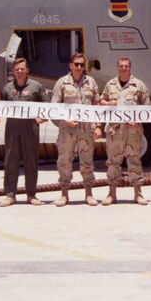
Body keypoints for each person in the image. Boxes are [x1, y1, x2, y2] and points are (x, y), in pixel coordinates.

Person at [50, 52, 102, 207]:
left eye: (82, 64)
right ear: (70, 65)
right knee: (64, 161)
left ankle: (89, 194)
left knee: (87, 162)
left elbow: (97, 106)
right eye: (77, 64)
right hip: (67, 131)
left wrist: (98, 126)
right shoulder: (62, 83)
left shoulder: (90, 82)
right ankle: (64, 194)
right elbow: (54, 107)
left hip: (86, 131)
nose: (79, 67)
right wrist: (64, 121)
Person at [100, 57, 151, 205]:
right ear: (117, 68)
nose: (123, 68)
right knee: (113, 162)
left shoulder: (139, 85)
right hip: (115, 131)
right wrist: (108, 102)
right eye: (121, 66)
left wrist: (137, 119)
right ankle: (112, 194)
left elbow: (147, 108)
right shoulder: (110, 85)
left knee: (134, 161)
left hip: (133, 131)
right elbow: (101, 100)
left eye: (126, 66)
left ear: (130, 68)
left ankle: (138, 193)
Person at [0, 58, 47, 207]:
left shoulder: (36, 87)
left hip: (30, 130)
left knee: (31, 161)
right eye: (17, 69)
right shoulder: (6, 88)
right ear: (13, 71)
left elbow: (47, 107)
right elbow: (0, 108)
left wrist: (43, 118)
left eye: (22, 69)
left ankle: (31, 194)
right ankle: (10, 195)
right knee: (10, 161)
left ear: (27, 70)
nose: (19, 72)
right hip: (12, 130)